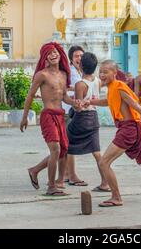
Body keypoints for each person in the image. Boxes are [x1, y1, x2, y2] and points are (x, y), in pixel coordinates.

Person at [83, 60, 141, 208]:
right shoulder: (112, 88)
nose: (102, 75)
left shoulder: (119, 86)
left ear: (115, 73)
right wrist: (90, 102)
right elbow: (108, 102)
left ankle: (116, 197)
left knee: (104, 163)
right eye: (100, 72)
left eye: (106, 72)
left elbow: (136, 106)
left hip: (128, 129)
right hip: (132, 128)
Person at [20, 42, 81, 196]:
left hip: (60, 115)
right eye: (49, 53)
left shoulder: (64, 74)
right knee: (55, 150)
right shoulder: (42, 75)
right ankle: (51, 186)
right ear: (45, 57)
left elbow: (65, 97)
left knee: (62, 151)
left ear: (60, 55)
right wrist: (25, 117)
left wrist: (74, 103)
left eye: (55, 52)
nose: (53, 55)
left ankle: (36, 171)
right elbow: (30, 95)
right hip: (48, 115)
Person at [67, 52, 110, 192]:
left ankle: (61, 178)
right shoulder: (98, 81)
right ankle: (105, 182)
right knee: (97, 152)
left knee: (64, 144)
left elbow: (78, 107)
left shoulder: (80, 84)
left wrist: (71, 102)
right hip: (94, 117)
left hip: (82, 119)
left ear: (81, 66)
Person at [59, 45, 87, 187]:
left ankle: (65, 174)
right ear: (71, 58)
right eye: (76, 56)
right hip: (66, 110)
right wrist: (77, 89)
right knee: (68, 144)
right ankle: (71, 175)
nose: (79, 58)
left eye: (81, 56)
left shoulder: (83, 72)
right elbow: (63, 88)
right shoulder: (68, 71)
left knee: (66, 144)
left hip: (76, 110)